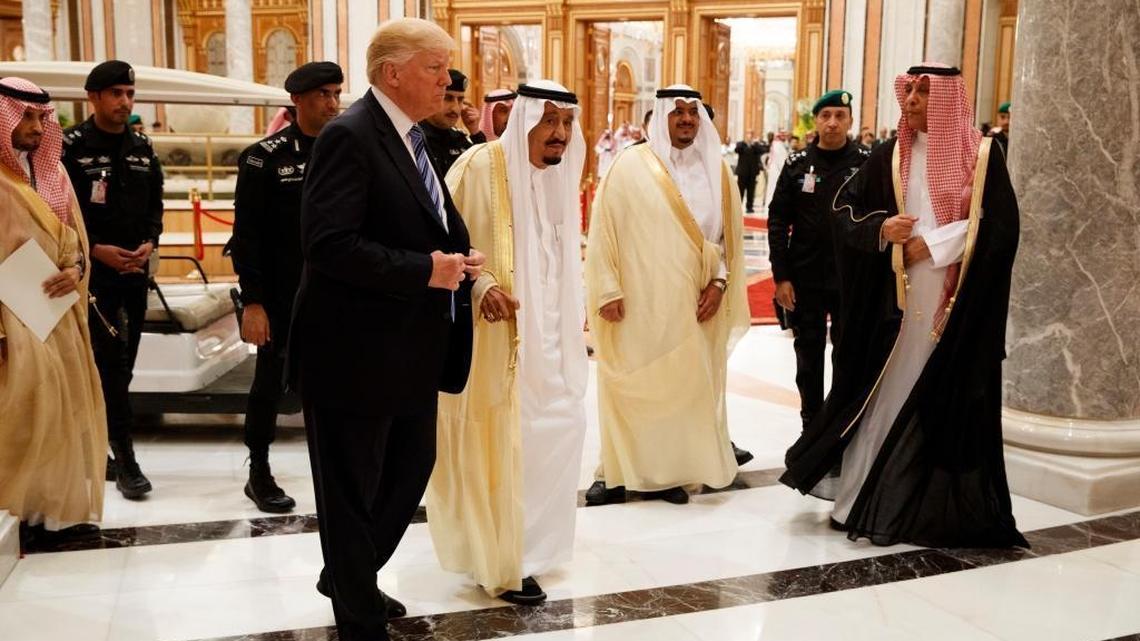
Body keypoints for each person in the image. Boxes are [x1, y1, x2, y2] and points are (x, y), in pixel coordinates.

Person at [288, 18, 484, 641]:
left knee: (409, 469)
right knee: (352, 486)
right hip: (353, 351)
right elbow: (328, 245)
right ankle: (358, 614)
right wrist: (425, 269)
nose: (448, 80)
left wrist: (460, 258)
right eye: (435, 67)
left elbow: (431, 224)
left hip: (408, 348)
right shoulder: (350, 136)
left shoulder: (412, 138)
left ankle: (349, 573)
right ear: (392, 73)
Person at [780, 64, 1026, 549]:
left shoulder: (981, 156)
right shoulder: (890, 156)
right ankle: (861, 499)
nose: (910, 99)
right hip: (892, 305)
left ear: (948, 100)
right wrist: (881, 230)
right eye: (908, 89)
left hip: (952, 301)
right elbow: (842, 212)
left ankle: (924, 504)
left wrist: (929, 246)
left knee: (936, 395)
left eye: (922, 92)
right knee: (885, 392)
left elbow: (998, 228)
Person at [429, 80, 587, 607]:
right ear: (521, 121)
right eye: (549, 122)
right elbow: (441, 237)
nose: (560, 134)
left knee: (553, 435)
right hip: (495, 340)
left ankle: (534, 550)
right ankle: (501, 560)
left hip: (551, 344)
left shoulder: (559, 179)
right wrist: (482, 282)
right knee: (500, 444)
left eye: (567, 123)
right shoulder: (480, 168)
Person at [584, 85, 750, 506]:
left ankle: (668, 473)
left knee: (682, 387)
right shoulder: (629, 165)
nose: (686, 119)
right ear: (660, 116)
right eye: (677, 112)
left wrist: (719, 284)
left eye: (693, 112)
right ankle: (616, 470)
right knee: (630, 383)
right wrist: (607, 288)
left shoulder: (718, 171)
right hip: (637, 302)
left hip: (694, 302)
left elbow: (729, 238)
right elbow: (603, 231)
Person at [228, 62, 343, 513]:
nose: (332, 103)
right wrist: (253, 303)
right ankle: (259, 471)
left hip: (336, 296)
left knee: (334, 388)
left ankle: (333, 471)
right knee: (270, 385)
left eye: (336, 93)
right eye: (322, 95)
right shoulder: (264, 157)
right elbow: (247, 236)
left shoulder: (345, 149)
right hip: (281, 296)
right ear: (296, 100)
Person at [0, 77, 108, 543]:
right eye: (23, 116)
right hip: (10, 320)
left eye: (41, 118)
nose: (36, 127)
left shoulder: (55, 173)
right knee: (20, 413)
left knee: (61, 412)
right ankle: (10, 513)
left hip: (57, 312)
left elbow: (76, 240)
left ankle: (45, 512)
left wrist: (77, 268)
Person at [61, 60, 164, 501]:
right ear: (94, 98)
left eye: (130, 94)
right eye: (116, 93)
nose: (125, 102)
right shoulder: (72, 147)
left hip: (134, 274)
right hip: (91, 275)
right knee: (110, 364)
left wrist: (148, 241)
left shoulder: (141, 147)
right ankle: (125, 458)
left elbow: (155, 202)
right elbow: (63, 211)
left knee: (124, 365)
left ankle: (102, 442)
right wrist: (96, 249)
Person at [768, 89, 870, 428]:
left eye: (840, 116)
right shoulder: (797, 165)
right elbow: (778, 220)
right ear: (817, 121)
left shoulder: (866, 163)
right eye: (826, 115)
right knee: (808, 354)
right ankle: (811, 424)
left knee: (849, 353)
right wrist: (781, 276)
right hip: (806, 277)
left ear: (850, 120)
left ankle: (841, 425)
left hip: (851, 277)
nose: (832, 123)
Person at [419, 68, 484, 174]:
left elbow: (483, 170)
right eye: (448, 98)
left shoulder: (459, 139)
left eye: (460, 100)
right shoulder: (416, 138)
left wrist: (475, 132)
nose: (455, 108)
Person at [734, 130, 761, 213]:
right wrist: (746, 143)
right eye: (748, 134)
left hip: (752, 172)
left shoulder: (755, 145)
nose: (749, 136)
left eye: (751, 134)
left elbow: (761, 150)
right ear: (746, 135)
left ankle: (749, 207)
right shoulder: (741, 144)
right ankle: (738, 207)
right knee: (740, 190)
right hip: (742, 172)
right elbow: (737, 150)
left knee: (751, 191)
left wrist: (752, 144)